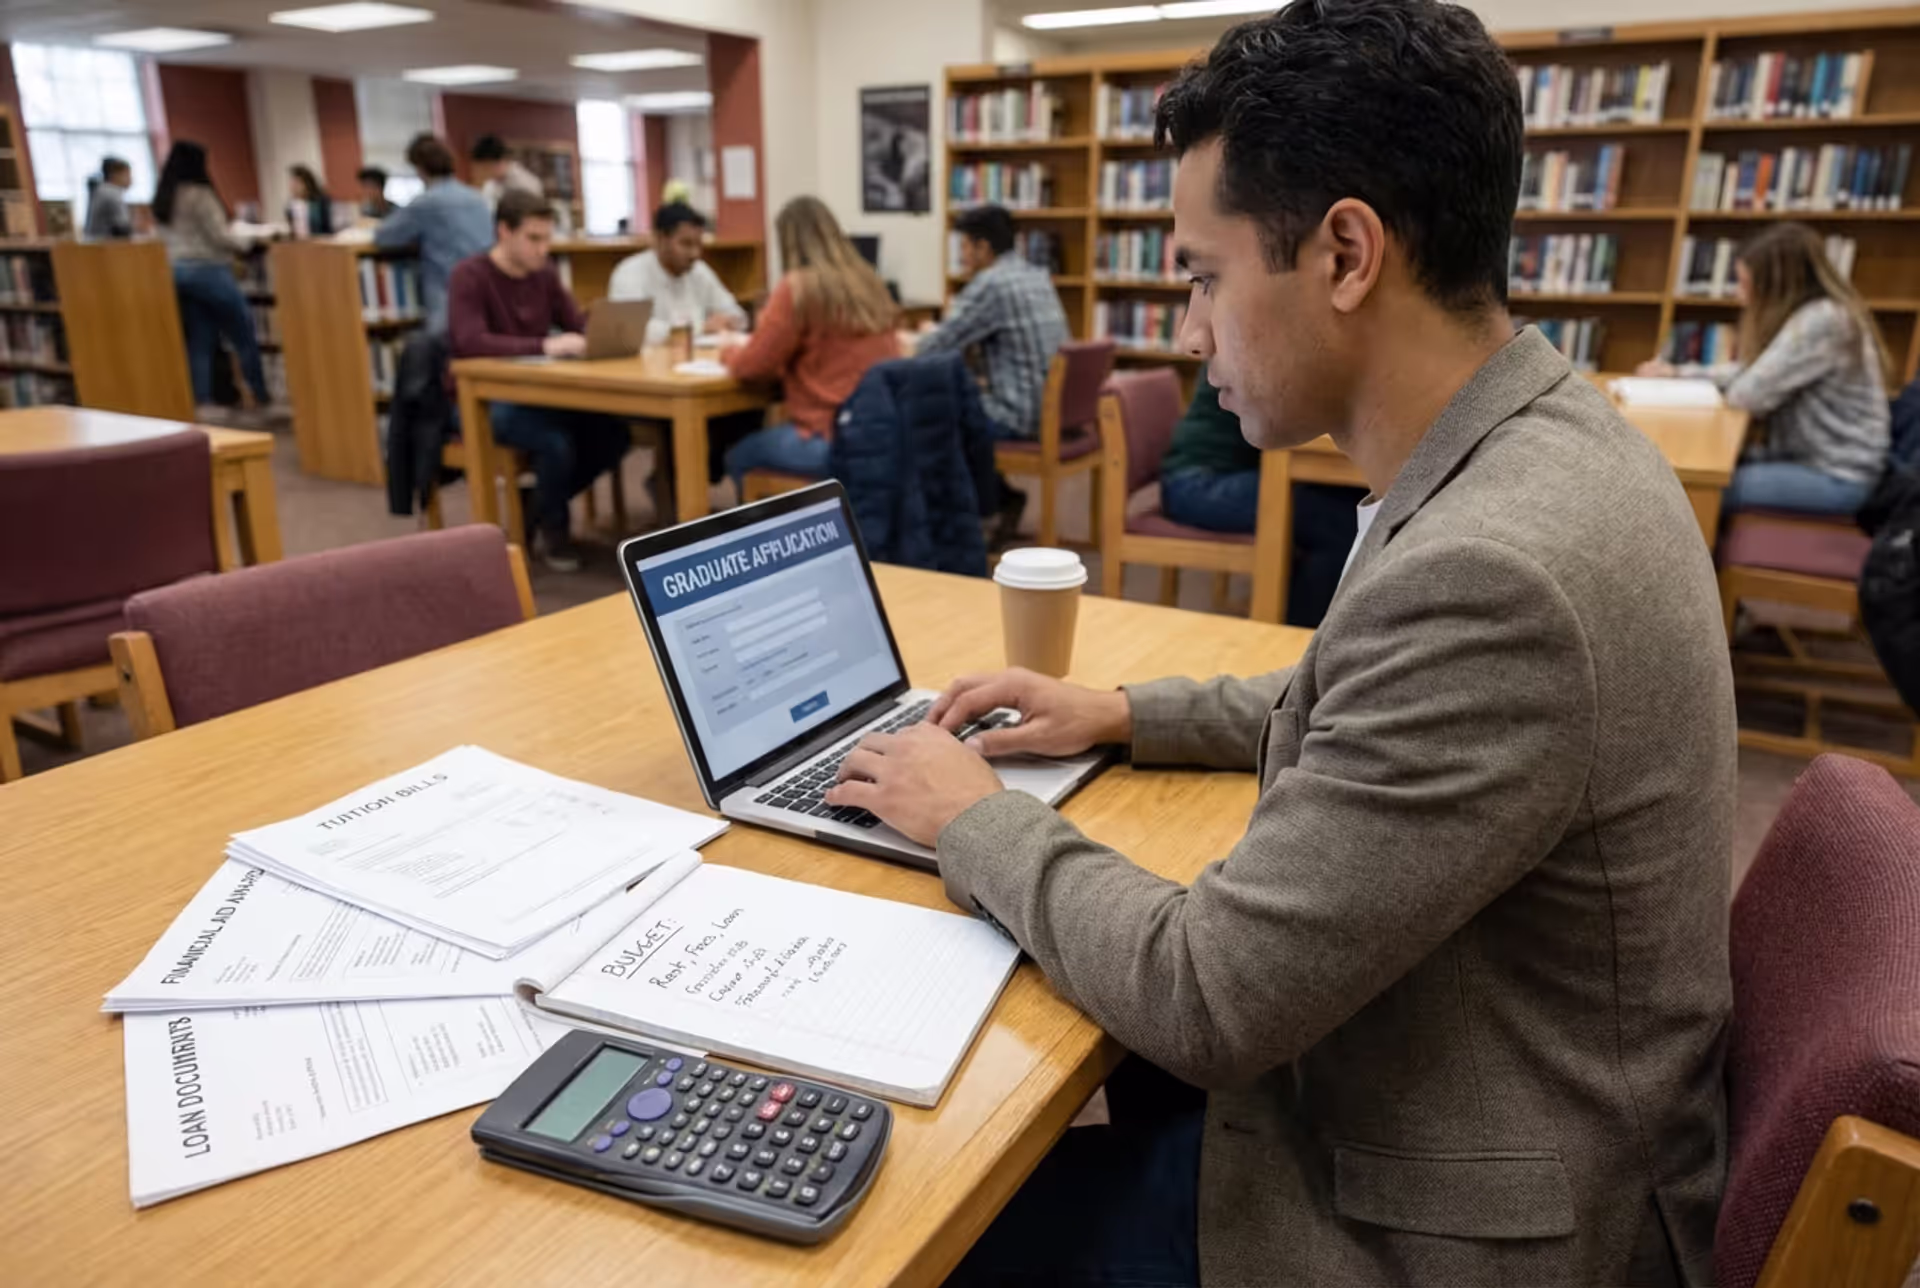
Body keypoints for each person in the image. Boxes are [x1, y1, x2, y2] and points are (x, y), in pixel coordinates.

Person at [823, 3, 1735, 1285]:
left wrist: (973, 815)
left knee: (909, 1225)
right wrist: (1123, 711)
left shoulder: (1496, 574)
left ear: (1346, 253)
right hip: (1480, 1093)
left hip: (1458, 1225)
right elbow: (1362, 696)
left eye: (1205, 276)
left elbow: (1208, 995)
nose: (1191, 332)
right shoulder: (1538, 446)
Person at [1640, 221, 1893, 516]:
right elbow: (1752, 370)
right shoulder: (1816, 314)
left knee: (1695, 491)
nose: (1738, 295)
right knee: (1686, 475)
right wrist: (1679, 374)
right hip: (1808, 460)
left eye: (1745, 284)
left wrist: (1689, 377)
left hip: (1837, 475)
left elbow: (1746, 395)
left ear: (1777, 287)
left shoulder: (1823, 322)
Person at [447, 189, 628, 573]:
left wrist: (601, 332)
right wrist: (545, 345)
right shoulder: (470, 275)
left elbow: (575, 324)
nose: (543, 249)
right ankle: (554, 532)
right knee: (554, 443)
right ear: (504, 232)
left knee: (613, 433)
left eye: (547, 238)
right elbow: (469, 341)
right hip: (483, 401)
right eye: (533, 238)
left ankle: (539, 504)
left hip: (537, 395)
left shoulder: (544, 275)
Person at [1160, 364, 1366, 627]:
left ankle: (1304, 617)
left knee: (1338, 508)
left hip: (1221, 474)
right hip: (1196, 483)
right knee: (1336, 520)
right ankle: (1298, 630)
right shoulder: (1248, 356)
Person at [719, 196, 899, 493]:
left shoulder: (798, 288)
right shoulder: (870, 282)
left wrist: (727, 352)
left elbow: (751, 367)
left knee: (740, 456)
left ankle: (787, 522)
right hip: (884, 433)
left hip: (830, 437)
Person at [917, 203, 1068, 441]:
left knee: (918, 407)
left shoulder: (992, 283)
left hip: (1017, 419)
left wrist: (920, 337)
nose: (962, 257)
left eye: (964, 247)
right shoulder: (1037, 275)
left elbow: (931, 348)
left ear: (983, 248)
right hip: (1055, 413)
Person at [153, 141, 271, 418]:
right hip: (207, 269)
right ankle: (259, 394)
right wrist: (251, 240)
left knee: (200, 338)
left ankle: (203, 401)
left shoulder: (163, 196)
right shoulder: (200, 195)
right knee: (243, 331)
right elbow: (219, 236)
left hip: (175, 271)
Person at [374, 133, 493, 333]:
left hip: (446, 295)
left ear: (420, 169)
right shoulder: (477, 198)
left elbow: (384, 238)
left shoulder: (426, 202)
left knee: (437, 345)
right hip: (485, 290)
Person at [606, 202, 746, 345]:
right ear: (660, 239)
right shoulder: (630, 273)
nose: (695, 254)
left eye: (698, 245)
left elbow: (737, 314)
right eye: (686, 244)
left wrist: (729, 321)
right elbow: (631, 330)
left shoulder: (699, 271)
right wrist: (698, 328)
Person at [470, 134, 543, 210]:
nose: (481, 173)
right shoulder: (492, 183)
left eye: (484, 168)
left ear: (498, 162)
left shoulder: (526, 183)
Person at [83, 156, 133, 240]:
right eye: (128, 175)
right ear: (115, 175)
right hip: (104, 244)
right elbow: (123, 227)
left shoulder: (101, 190)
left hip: (94, 241)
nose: (131, 180)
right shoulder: (112, 192)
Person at [287, 164, 333, 237]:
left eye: (297, 183)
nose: (293, 186)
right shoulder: (290, 206)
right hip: (299, 242)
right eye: (292, 182)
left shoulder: (321, 202)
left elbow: (328, 228)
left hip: (319, 240)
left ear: (307, 184)